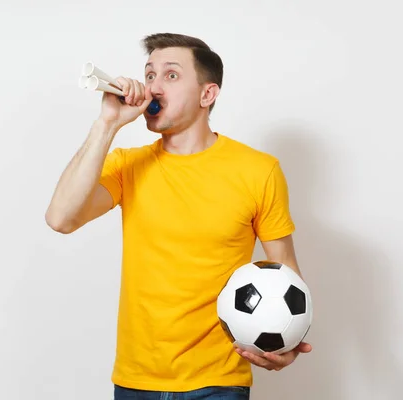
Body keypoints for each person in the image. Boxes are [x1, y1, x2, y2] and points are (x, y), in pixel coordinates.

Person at [45, 32, 312, 399]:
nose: (153, 87)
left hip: (218, 383)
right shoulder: (127, 165)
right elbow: (60, 218)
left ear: (207, 94)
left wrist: (288, 345)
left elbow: (285, 271)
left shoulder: (258, 171)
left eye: (171, 75)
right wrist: (107, 123)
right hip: (135, 381)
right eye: (149, 74)